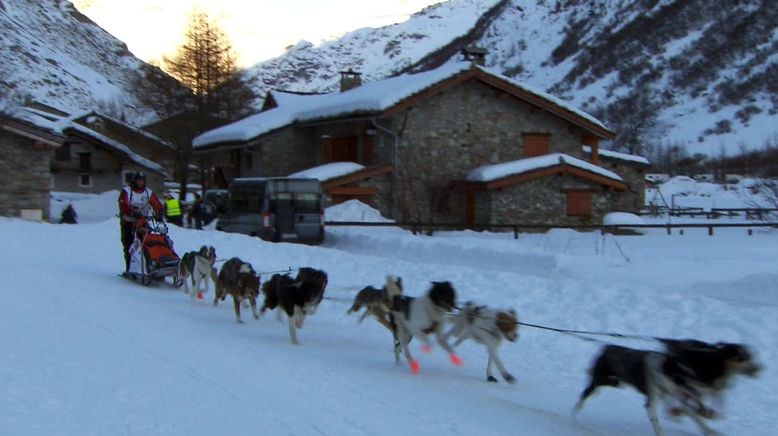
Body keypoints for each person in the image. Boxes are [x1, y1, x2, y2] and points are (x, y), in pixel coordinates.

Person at [118, 172, 163, 272]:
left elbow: (157, 204)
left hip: (142, 222)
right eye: (139, 181)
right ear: (134, 181)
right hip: (128, 222)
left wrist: (159, 213)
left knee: (148, 244)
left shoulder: (148, 192)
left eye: (142, 181)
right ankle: (130, 268)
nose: (140, 183)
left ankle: (149, 267)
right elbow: (123, 205)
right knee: (129, 246)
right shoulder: (126, 191)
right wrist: (132, 213)